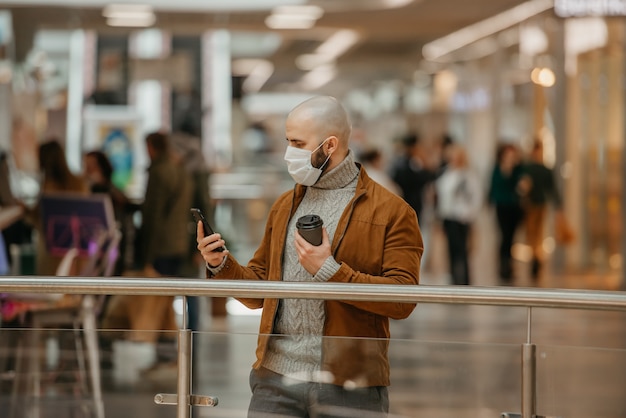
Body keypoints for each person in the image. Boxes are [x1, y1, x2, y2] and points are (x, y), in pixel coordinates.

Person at [196, 96, 422, 418]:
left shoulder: (393, 212)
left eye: (298, 143)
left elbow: (403, 300)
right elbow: (260, 291)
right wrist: (221, 264)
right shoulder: (284, 205)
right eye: (288, 141)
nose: (289, 153)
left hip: (350, 383)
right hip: (274, 379)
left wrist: (330, 271)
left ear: (329, 145)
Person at [435, 145, 483, 285]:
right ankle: (453, 277)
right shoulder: (446, 173)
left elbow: (476, 196)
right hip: (448, 216)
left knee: (461, 250)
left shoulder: (468, 175)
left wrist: (470, 214)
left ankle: (464, 280)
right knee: (451, 249)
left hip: (462, 217)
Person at [522, 140, 563, 279]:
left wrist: (558, 206)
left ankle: (536, 258)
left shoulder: (545, 169)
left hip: (541, 204)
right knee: (531, 233)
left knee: (538, 232)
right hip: (529, 205)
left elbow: (552, 189)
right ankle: (534, 257)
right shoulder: (527, 168)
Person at [488, 143, 526, 283]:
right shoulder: (497, 169)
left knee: (511, 237)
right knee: (504, 236)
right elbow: (493, 186)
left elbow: (522, 187)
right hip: (501, 207)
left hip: (515, 207)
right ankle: (503, 266)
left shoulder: (519, 169)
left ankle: (509, 265)